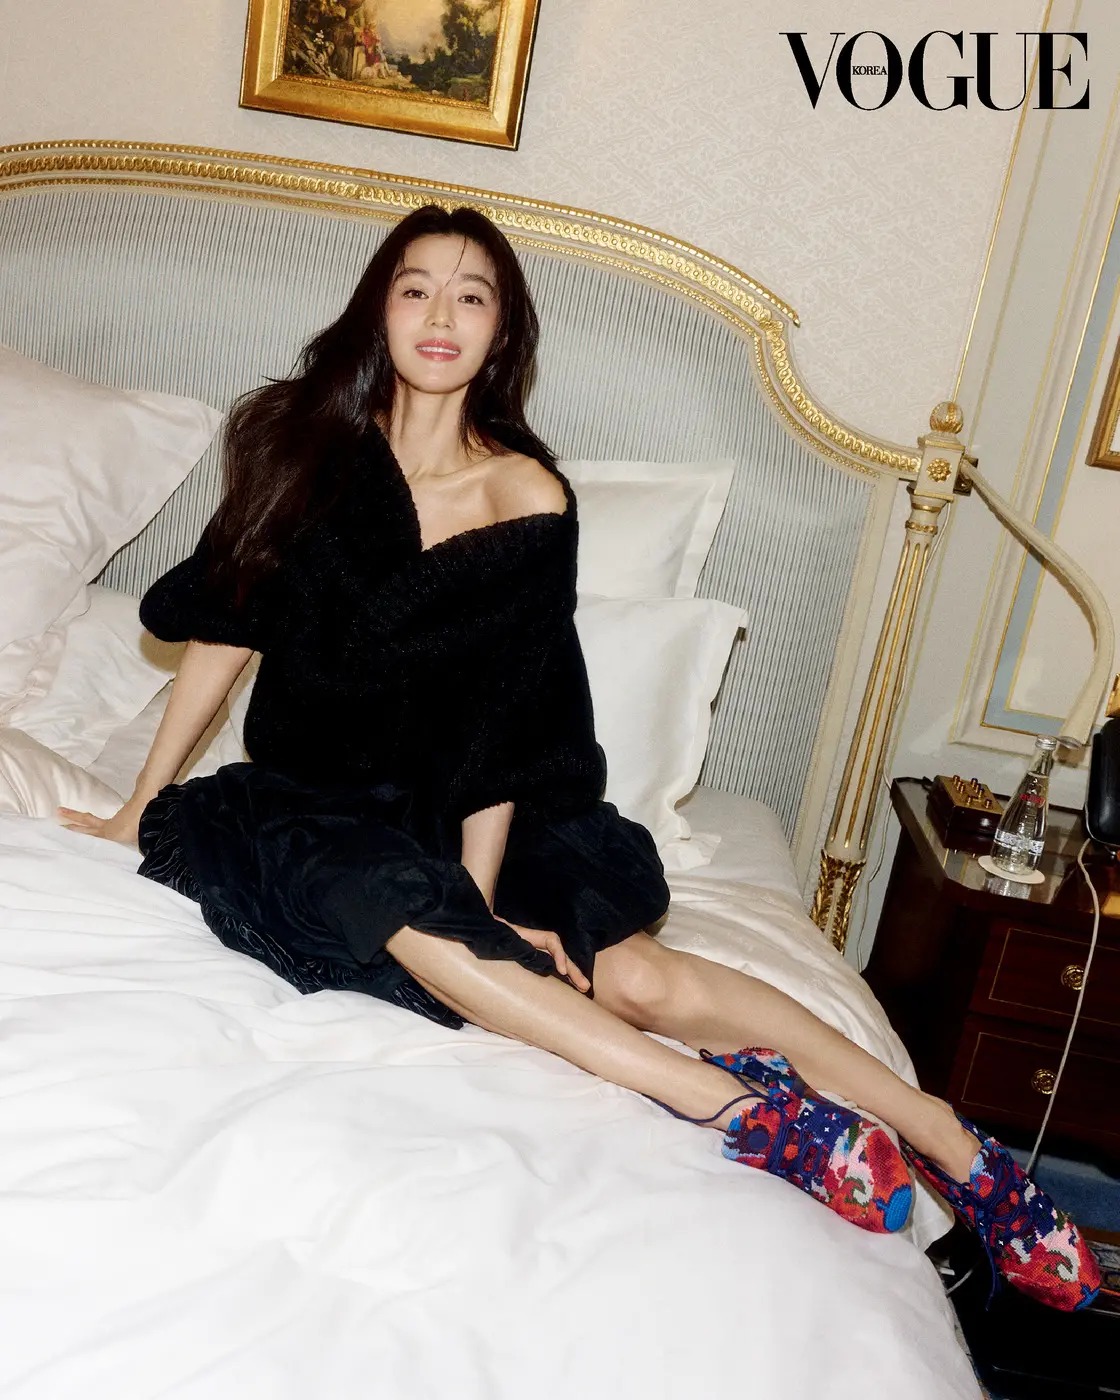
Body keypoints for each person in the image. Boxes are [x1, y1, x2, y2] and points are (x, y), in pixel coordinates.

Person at [60, 205, 1098, 1312]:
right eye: (416, 287)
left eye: (472, 295)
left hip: (475, 805)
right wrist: (137, 805)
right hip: (310, 800)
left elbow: (504, 720)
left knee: (638, 976)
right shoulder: (293, 439)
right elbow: (225, 629)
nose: (441, 314)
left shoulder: (528, 495)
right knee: (386, 901)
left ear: (502, 330)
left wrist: (479, 897)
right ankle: (734, 1104)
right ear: (378, 308)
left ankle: (951, 1140)